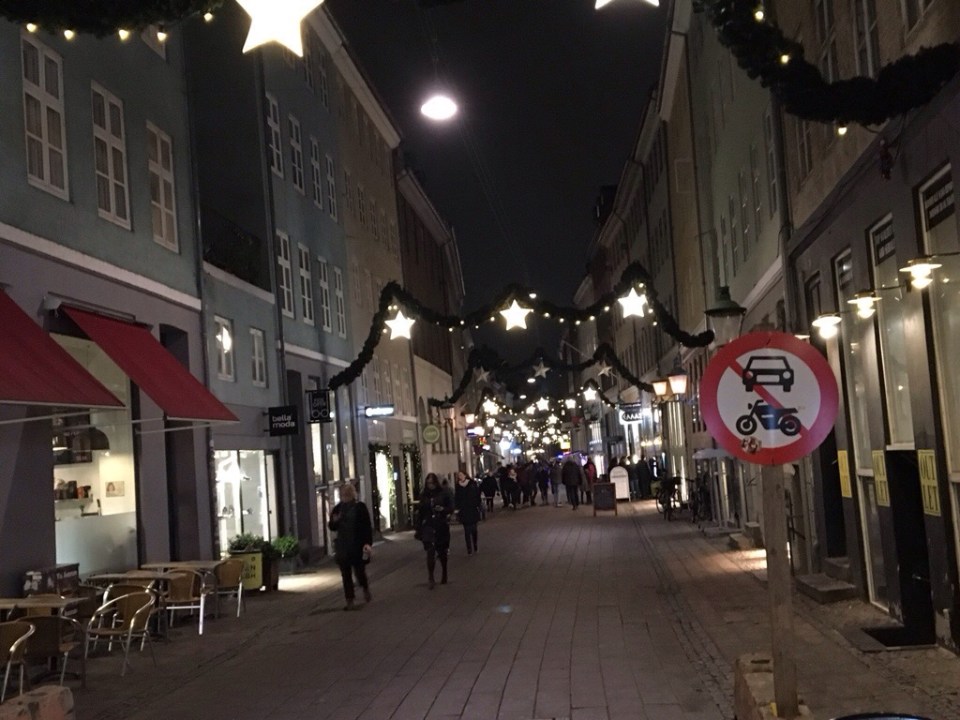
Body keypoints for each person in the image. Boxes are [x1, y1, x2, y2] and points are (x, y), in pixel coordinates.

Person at [328, 483, 373, 610]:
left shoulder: (360, 507)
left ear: (352, 494)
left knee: (359, 571)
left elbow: (366, 526)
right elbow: (332, 526)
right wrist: (335, 521)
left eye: (347, 494)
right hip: (343, 546)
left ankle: (365, 588)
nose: (345, 497)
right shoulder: (338, 509)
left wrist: (367, 543)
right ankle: (349, 599)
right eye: (343, 494)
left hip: (357, 545)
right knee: (345, 574)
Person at [417, 473, 453, 588]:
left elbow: (451, 507)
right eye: (428, 483)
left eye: (432, 483)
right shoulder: (424, 495)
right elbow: (420, 512)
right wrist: (418, 528)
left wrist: (443, 509)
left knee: (442, 552)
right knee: (430, 552)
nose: (430, 485)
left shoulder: (443, 493)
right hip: (428, 525)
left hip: (440, 525)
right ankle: (431, 577)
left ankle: (444, 572)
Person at [454, 471, 482, 554]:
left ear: (465, 475)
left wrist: (477, 504)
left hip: (472, 509)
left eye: (461, 475)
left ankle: (475, 544)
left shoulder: (472, 484)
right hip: (464, 510)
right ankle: (469, 548)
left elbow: (477, 495)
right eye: (459, 475)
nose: (460, 476)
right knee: (466, 530)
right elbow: (457, 498)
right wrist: (457, 508)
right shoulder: (458, 486)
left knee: (474, 529)